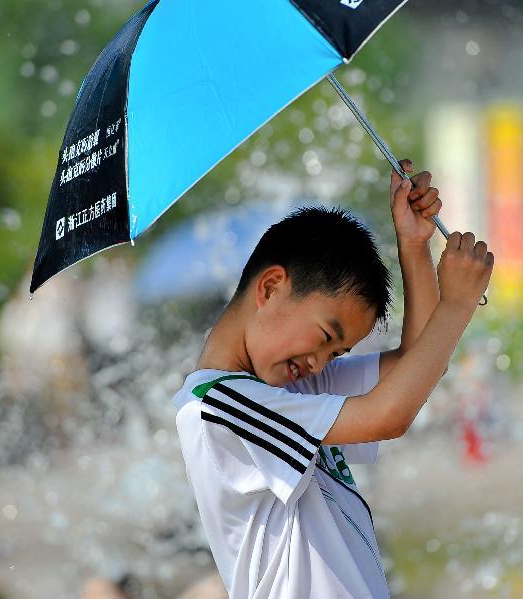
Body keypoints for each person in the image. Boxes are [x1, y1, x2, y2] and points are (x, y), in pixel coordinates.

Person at [173, 160, 493, 598]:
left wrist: (413, 246)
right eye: (325, 336)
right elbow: (390, 415)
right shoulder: (218, 405)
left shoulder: (285, 387)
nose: (319, 364)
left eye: (336, 353)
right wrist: (455, 307)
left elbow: (414, 368)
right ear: (269, 288)